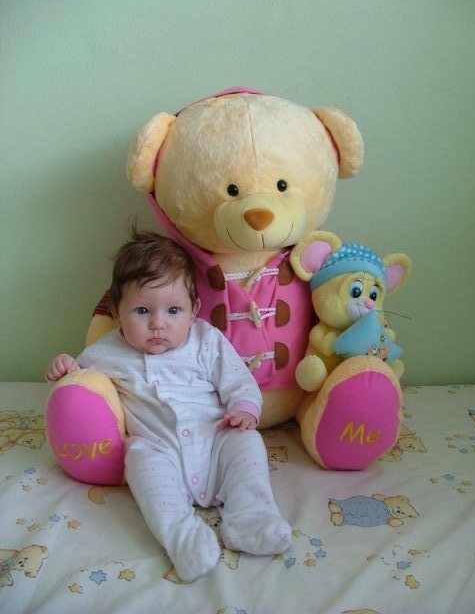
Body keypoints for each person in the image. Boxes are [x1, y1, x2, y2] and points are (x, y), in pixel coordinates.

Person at [46, 229, 292, 581]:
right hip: (160, 450)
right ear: (116, 311)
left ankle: (251, 518)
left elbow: (239, 381)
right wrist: (62, 370)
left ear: (193, 310)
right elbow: (79, 387)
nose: (158, 323)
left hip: (215, 438)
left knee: (247, 442)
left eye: (173, 310)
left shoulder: (206, 340)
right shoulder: (106, 352)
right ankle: (182, 537)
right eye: (142, 310)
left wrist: (244, 410)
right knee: (139, 459)